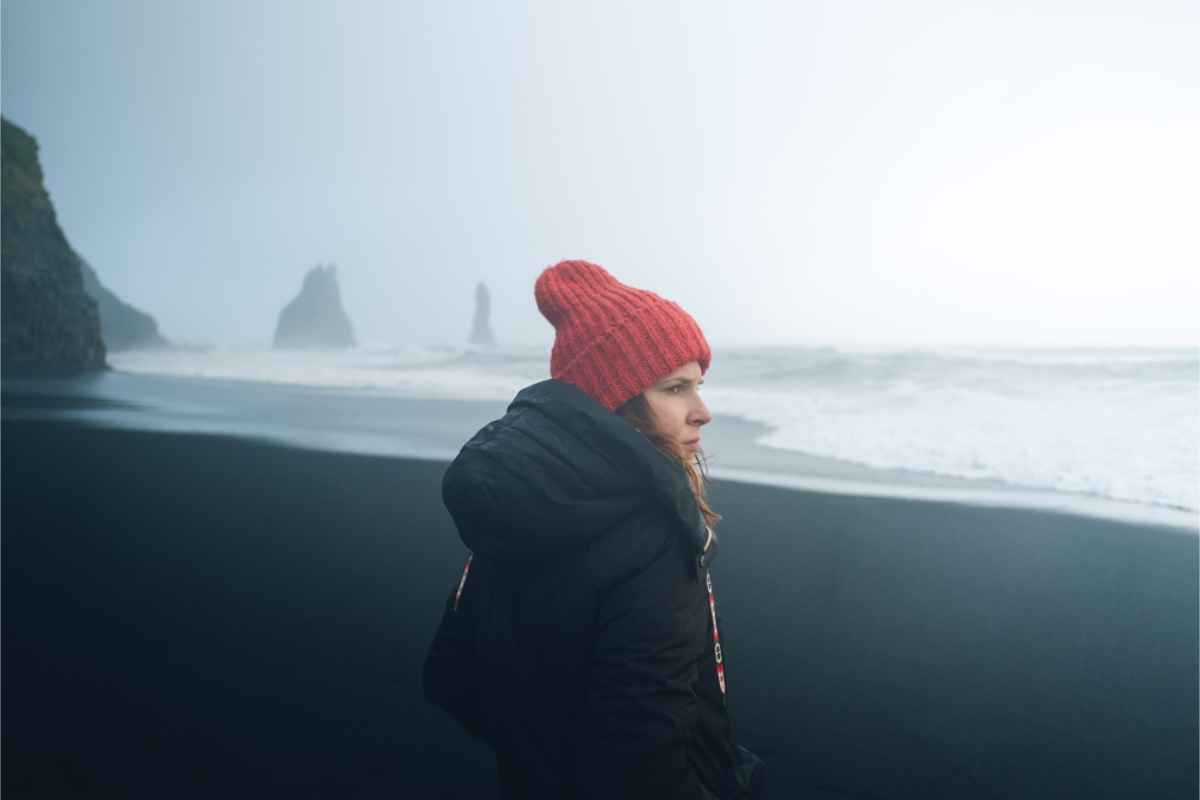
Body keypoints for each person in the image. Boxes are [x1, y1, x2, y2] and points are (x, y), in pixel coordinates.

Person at [423, 259, 765, 799]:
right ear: (618, 402)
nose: (703, 411)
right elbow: (643, 757)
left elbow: (456, 676)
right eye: (676, 388)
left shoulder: (524, 495)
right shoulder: (650, 536)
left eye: (698, 385)